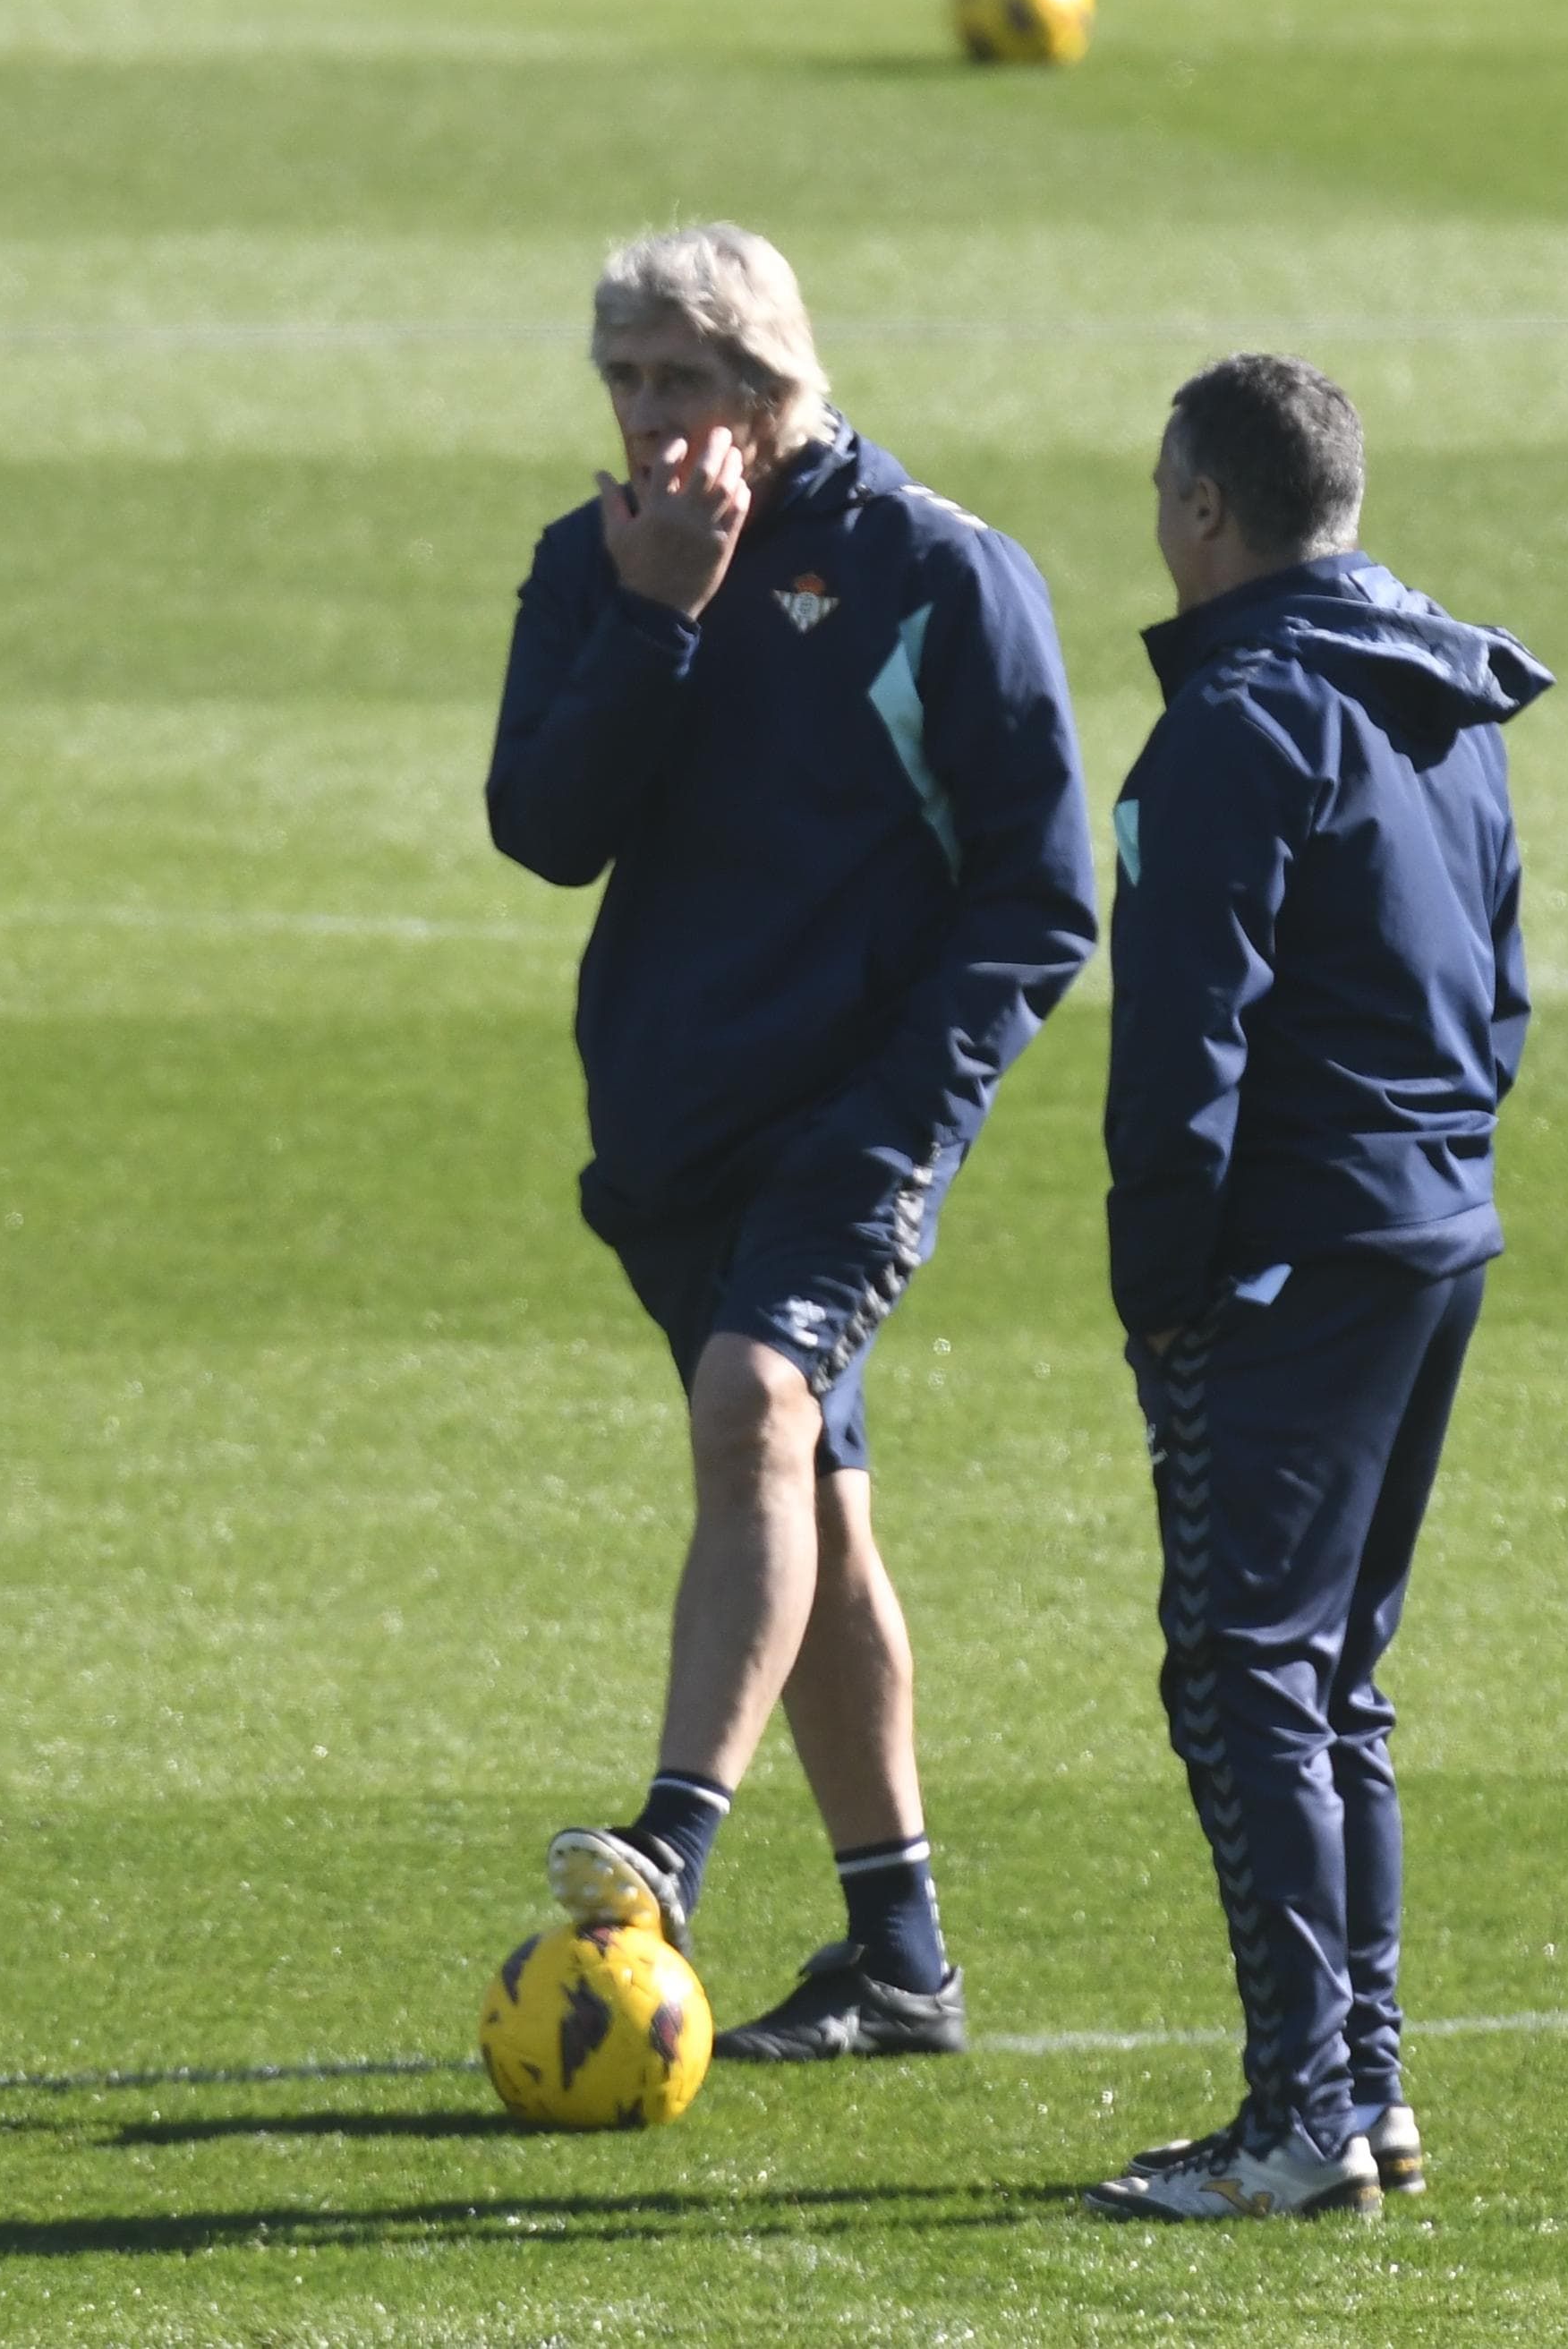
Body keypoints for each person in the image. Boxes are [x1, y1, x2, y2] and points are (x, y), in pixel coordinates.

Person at [486, 226, 1095, 2060]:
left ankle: (670, 1843)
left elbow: (1041, 895)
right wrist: (657, 614)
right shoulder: (595, 564)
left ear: (768, 384)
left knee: (754, 1402)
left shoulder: (933, 572)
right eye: (621, 378)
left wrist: (912, 1108)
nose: (644, 413)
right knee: (810, 1498)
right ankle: (899, 1956)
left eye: (677, 377)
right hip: (673, 1117)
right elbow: (543, 828)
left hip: (854, 1120)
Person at [1080, 354, 1544, 2221]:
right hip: (1434, 1229)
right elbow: (1500, 993)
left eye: (1161, 490)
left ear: (1206, 508)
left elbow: (1182, 1044)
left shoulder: (1235, 722)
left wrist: (1162, 1281)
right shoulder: (1446, 700)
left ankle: (1299, 2122)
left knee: (1245, 1674)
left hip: (1290, 1253)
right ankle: (1366, 2088)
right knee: (1333, 1677)